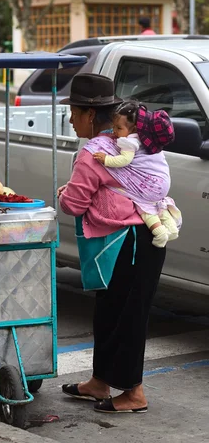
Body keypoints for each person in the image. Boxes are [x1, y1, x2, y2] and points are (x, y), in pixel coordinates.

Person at [57, 73, 166, 414]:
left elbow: (74, 204)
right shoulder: (127, 142)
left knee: (127, 317)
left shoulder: (94, 153)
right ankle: (100, 381)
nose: (71, 120)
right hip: (135, 240)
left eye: (74, 113)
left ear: (90, 114)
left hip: (130, 242)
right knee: (108, 312)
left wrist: (63, 194)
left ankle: (134, 393)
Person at [92, 101, 181, 248]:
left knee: (142, 207)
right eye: (113, 126)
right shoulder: (147, 140)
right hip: (162, 183)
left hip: (150, 186)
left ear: (133, 128)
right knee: (156, 204)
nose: (114, 131)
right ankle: (171, 227)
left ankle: (160, 232)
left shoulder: (129, 142)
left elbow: (124, 160)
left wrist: (106, 159)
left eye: (119, 128)